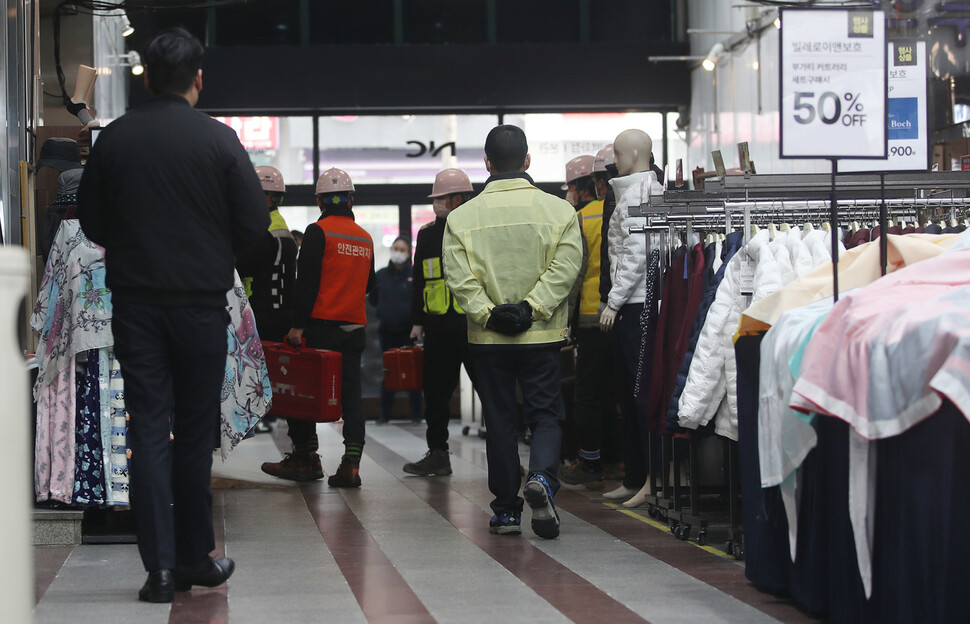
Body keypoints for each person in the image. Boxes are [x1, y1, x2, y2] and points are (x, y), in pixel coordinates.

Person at [76, 27, 268, 603]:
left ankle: (158, 570)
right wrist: (212, 252)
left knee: (148, 432)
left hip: (135, 306)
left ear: (147, 78)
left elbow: (91, 221)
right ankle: (194, 560)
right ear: (198, 79)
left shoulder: (116, 139)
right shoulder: (219, 140)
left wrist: (137, 249)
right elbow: (255, 227)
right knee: (192, 435)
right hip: (200, 306)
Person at [443, 125, 582, 539]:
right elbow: (566, 269)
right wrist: (531, 308)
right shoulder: (560, 212)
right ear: (527, 162)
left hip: (487, 342)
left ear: (486, 163)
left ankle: (505, 511)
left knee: (500, 420)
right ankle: (540, 477)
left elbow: (458, 277)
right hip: (541, 337)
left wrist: (490, 314)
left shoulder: (460, 218)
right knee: (546, 415)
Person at [260, 167, 375, 488]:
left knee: (302, 391)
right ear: (351, 199)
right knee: (351, 397)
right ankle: (351, 464)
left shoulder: (318, 232)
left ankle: (305, 456)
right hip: (355, 328)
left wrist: (297, 327)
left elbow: (306, 283)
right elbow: (371, 284)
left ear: (320, 202)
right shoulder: (365, 237)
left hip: (322, 329)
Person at [599, 129, 665, 507]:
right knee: (629, 391)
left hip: (638, 306)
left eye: (620, 153)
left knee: (641, 394)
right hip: (631, 306)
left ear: (637, 153)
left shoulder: (642, 194)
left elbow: (638, 256)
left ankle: (650, 479)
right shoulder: (632, 193)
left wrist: (615, 300)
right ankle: (637, 474)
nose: (616, 160)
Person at [402, 168, 476, 477]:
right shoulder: (427, 235)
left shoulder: (476, 231)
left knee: (491, 390)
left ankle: (507, 450)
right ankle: (438, 453)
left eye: (442, 198)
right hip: (438, 329)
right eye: (436, 199)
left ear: (459, 198)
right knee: (435, 395)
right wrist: (417, 321)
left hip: (474, 326)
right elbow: (420, 279)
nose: (437, 204)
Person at [558, 155, 614, 490]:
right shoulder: (638, 210)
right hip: (631, 316)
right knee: (620, 391)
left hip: (592, 318)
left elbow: (574, 276)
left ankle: (591, 461)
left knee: (588, 393)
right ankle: (624, 460)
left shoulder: (583, 218)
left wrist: (566, 321)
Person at [236, 166, 297, 343]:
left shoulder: (262, 230)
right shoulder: (280, 226)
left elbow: (240, 266)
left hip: (262, 314)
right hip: (281, 311)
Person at [370, 236, 422, 424]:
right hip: (387, 331)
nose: (398, 252)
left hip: (410, 332)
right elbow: (373, 299)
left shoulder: (415, 274)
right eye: (396, 248)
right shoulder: (381, 275)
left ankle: (417, 415)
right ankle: (385, 415)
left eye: (402, 249)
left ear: (408, 253)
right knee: (389, 373)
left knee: (413, 372)